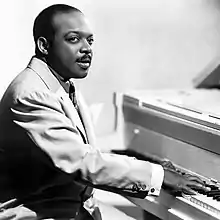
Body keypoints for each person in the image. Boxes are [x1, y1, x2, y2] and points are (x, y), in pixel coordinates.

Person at [0, 4, 208, 220]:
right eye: (73, 39)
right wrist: (159, 175)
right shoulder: (31, 94)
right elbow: (83, 162)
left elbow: (82, 150)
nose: (86, 48)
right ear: (43, 45)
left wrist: (149, 165)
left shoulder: (58, 84)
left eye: (89, 41)